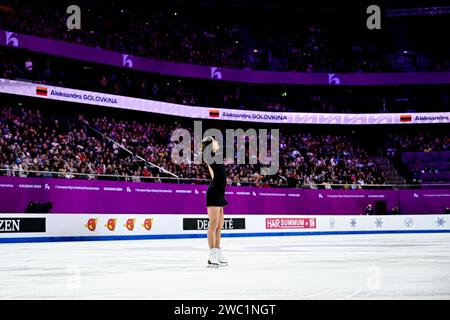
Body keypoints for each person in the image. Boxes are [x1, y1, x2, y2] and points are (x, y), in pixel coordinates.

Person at [202, 136, 229, 267]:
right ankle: (211, 255)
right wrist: (209, 141)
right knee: (213, 224)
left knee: (219, 226)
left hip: (220, 193)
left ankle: (217, 251)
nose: (217, 142)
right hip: (213, 193)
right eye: (215, 141)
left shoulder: (216, 157)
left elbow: (214, 174)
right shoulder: (209, 155)